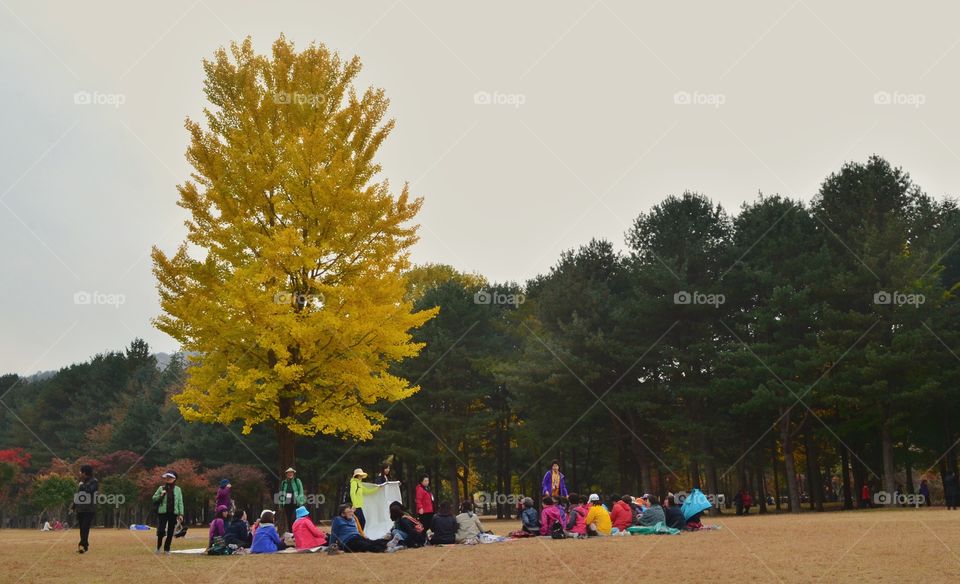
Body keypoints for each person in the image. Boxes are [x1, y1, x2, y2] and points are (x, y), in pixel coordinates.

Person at [152, 470, 184, 555]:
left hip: (173, 513)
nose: (168, 479)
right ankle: (158, 547)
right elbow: (154, 498)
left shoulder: (178, 489)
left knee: (170, 532)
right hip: (162, 513)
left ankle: (167, 549)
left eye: (170, 477)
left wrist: (181, 514)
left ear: (174, 478)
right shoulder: (161, 488)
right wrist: (161, 495)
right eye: (167, 477)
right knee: (161, 531)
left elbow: (180, 502)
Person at [73, 464, 98, 554]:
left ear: (84, 472)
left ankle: (83, 545)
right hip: (81, 509)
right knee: (82, 528)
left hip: (89, 509)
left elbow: (90, 491)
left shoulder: (94, 481)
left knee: (85, 527)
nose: (79, 473)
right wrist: (74, 506)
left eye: (81, 471)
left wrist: (82, 486)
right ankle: (84, 546)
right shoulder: (82, 482)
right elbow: (79, 495)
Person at [278, 468, 305, 532]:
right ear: (286, 474)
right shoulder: (284, 482)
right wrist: (280, 505)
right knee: (288, 519)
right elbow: (281, 494)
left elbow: (301, 491)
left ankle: (296, 532)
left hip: (295, 502)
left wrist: (301, 502)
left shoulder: (297, 481)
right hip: (287, 502)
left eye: (291, 472)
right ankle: (291, 533)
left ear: (293, 473)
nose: (290, 474)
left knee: (294, 518)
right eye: (289, 473)